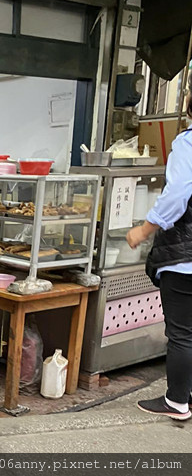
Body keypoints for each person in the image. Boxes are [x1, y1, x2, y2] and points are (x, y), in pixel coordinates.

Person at [126, 76, 192, 421]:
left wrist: (145, 228)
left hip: (184, 258)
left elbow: (178, 194)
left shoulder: (188, 142)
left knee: (181, 333)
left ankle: (177, 401)